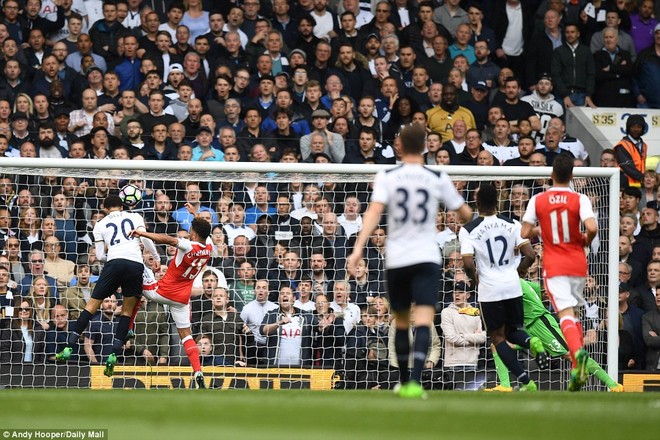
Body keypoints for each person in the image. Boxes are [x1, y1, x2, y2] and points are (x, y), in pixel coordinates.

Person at [347, 124, 473, 399]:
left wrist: (358, 249)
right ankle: (415, 382)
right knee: (424, 321)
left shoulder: (387, 174)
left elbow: (373, 213)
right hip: (427, 257)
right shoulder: (437, 175)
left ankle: (403, 382)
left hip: (398, 257)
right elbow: (465, 212)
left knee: (402, 321)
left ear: (400, 146)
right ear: (427, 147)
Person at [55, 195, 158, 378]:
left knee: (91, 306)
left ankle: (68, 347)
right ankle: (113, 354)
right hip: (135, 264)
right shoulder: (135, 216)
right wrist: (156, 257)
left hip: (114, 263)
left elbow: (101, 255)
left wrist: (113, 253)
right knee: (126, 311)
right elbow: (147, 240)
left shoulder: (100, 224)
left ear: (104, 208)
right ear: (122, 205)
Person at [521, 154, 599, 391]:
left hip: (555, 263)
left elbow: (525, 232)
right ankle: (578, 364)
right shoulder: (580, 198)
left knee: (564, 314)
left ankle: (579, 359)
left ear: (551, 175)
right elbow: (592, 227)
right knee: (573, 313)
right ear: (572, 176)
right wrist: (585, 240)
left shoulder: (538, 199)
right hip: (577, 260)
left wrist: (544, 227)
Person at [460, 184, 545, 393]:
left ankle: (526, 382)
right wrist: (519, 272)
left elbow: (469, 264)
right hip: (512, 286)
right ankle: (532, 340)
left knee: (498, 338)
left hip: (490, 290)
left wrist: (476, 279)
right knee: (514, 330)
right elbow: (531, 255)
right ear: (498, 202)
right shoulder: (513, 224)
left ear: (477, 203)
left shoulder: (468, 229)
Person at [485, 278, 623, 392]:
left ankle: (612, 384)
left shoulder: (511, 284)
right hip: (527, 328)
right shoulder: (521, 282)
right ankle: (505, 385)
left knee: (570, 354)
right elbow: (540, 290)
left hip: (540, 323)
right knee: (497, 345)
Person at [129, 205, 213, 388]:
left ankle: (129, 327)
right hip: (182, 299)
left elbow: (165, 239)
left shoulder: (188, 245)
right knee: (186, 336)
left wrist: (142, 234)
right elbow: (203, 230)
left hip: (162, 292)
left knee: (134, 273)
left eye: (191, 230)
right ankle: (198, 370)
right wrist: (195, 215)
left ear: (193, 233)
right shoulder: (209, 247)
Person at [614, 115, 648, 189]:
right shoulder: (622, 145)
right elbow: (627, 166)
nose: (636, 129)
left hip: (639, 185)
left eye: (639, 127)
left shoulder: (644, 145)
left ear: (643, 129)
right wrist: (644, 178)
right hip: (625, 186)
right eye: (633, 127)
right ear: (628, 128)